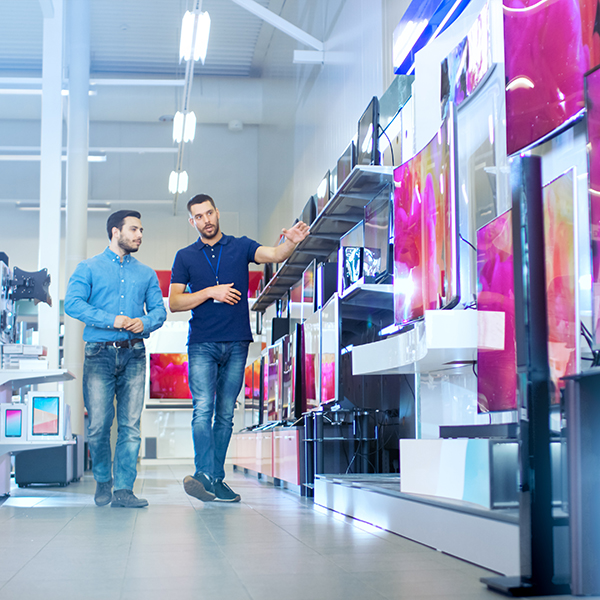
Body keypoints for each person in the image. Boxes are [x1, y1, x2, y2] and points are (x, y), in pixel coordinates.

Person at [169, 194, 309, 502]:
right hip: (202, 344)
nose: (206, 220)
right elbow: (175, 302)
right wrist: (209, 293)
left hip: (236, 342)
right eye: (198, 216)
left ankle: (214, 479)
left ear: (217, 213)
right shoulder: (185, 256)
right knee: (203, 409)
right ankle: (205, 473)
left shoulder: (240, 246)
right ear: (192, 221)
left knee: (225, 415)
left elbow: (274, 253)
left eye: (209, 213)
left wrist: (292, 242)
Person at [65, 210, 166, 508]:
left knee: (130, 425)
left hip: (135, 354)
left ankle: (123, 489)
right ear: (115, 231)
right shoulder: (88, 268)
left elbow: (159, 312)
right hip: (98, 355)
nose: (139, 235)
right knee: (97, 425)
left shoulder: (146, 273)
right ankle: (102, 480)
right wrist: (114, 320)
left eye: (141, 230)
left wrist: (144, 323)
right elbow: (73, 304)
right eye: (134, 229)